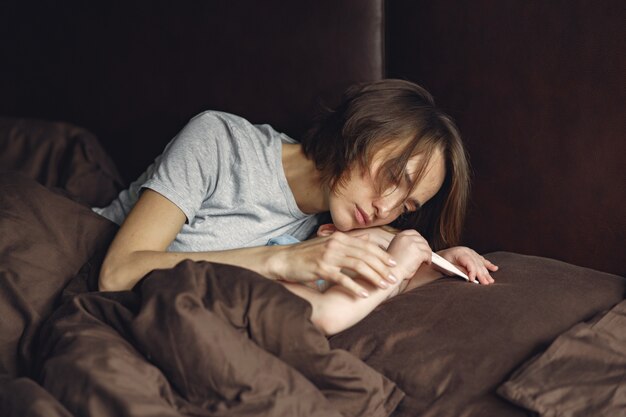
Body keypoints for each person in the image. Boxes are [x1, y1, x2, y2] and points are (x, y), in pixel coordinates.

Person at [94, 79, 497, 299]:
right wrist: (279, 260)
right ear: (362, 128)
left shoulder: (332, 232)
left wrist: (439, 263)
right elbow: (117, 273)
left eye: (406, 207)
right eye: (393, 175)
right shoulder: (219, 141)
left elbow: (390, 263)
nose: (385, 208)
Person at [274, 224, 497, 335]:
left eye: (392, 259)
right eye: (382, 248)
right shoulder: (283, 251)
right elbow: (319, 314)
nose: (385, 263)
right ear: (329, 232)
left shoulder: (372, 298)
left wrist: (443, 263)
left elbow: (402, 283)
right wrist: (396, 268)